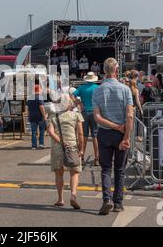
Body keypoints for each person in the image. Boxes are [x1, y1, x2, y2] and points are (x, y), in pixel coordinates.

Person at [92, 58, 134, 215]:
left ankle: (106, 199)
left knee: (105, 169)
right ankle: (118, 202)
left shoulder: (98, 90)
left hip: (104, 133)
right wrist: (126, 136)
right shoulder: (125, 90)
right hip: (121, 133)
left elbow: (97, 118)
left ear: (104, 71)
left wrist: (113, 126)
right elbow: (129, 116)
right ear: (117, 70)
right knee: (120, 169)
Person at [46, 94, 84, 209]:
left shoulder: (52, 116)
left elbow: (51, 133)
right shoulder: (76, 115)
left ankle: (60, 199)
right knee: (75, 172)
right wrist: (81, 149)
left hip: (58, 147)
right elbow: (81, 134)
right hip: (72, 146)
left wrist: (61, 142)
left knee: (59, 173)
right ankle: (73, 195)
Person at [72, 72, 99, 166]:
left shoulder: (81, 88)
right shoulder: (97, 88)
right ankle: (97, 158)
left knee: (84, 136)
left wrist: (79, 103)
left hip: (84, 112)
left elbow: (72, 95)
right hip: (95, 112)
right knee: (95, 136)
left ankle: (82, 157)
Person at [27, 84, 47, 150]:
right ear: (38, 89)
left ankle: (34, 145)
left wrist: (28, 116)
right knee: (41, 130)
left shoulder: (30, 98)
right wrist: (44, 116)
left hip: (32, 117)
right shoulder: (39, 97)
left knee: (34, 132)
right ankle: (41, 144)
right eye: (41, 89)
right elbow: (41, 107)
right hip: (40, 117)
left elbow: (28, 109)